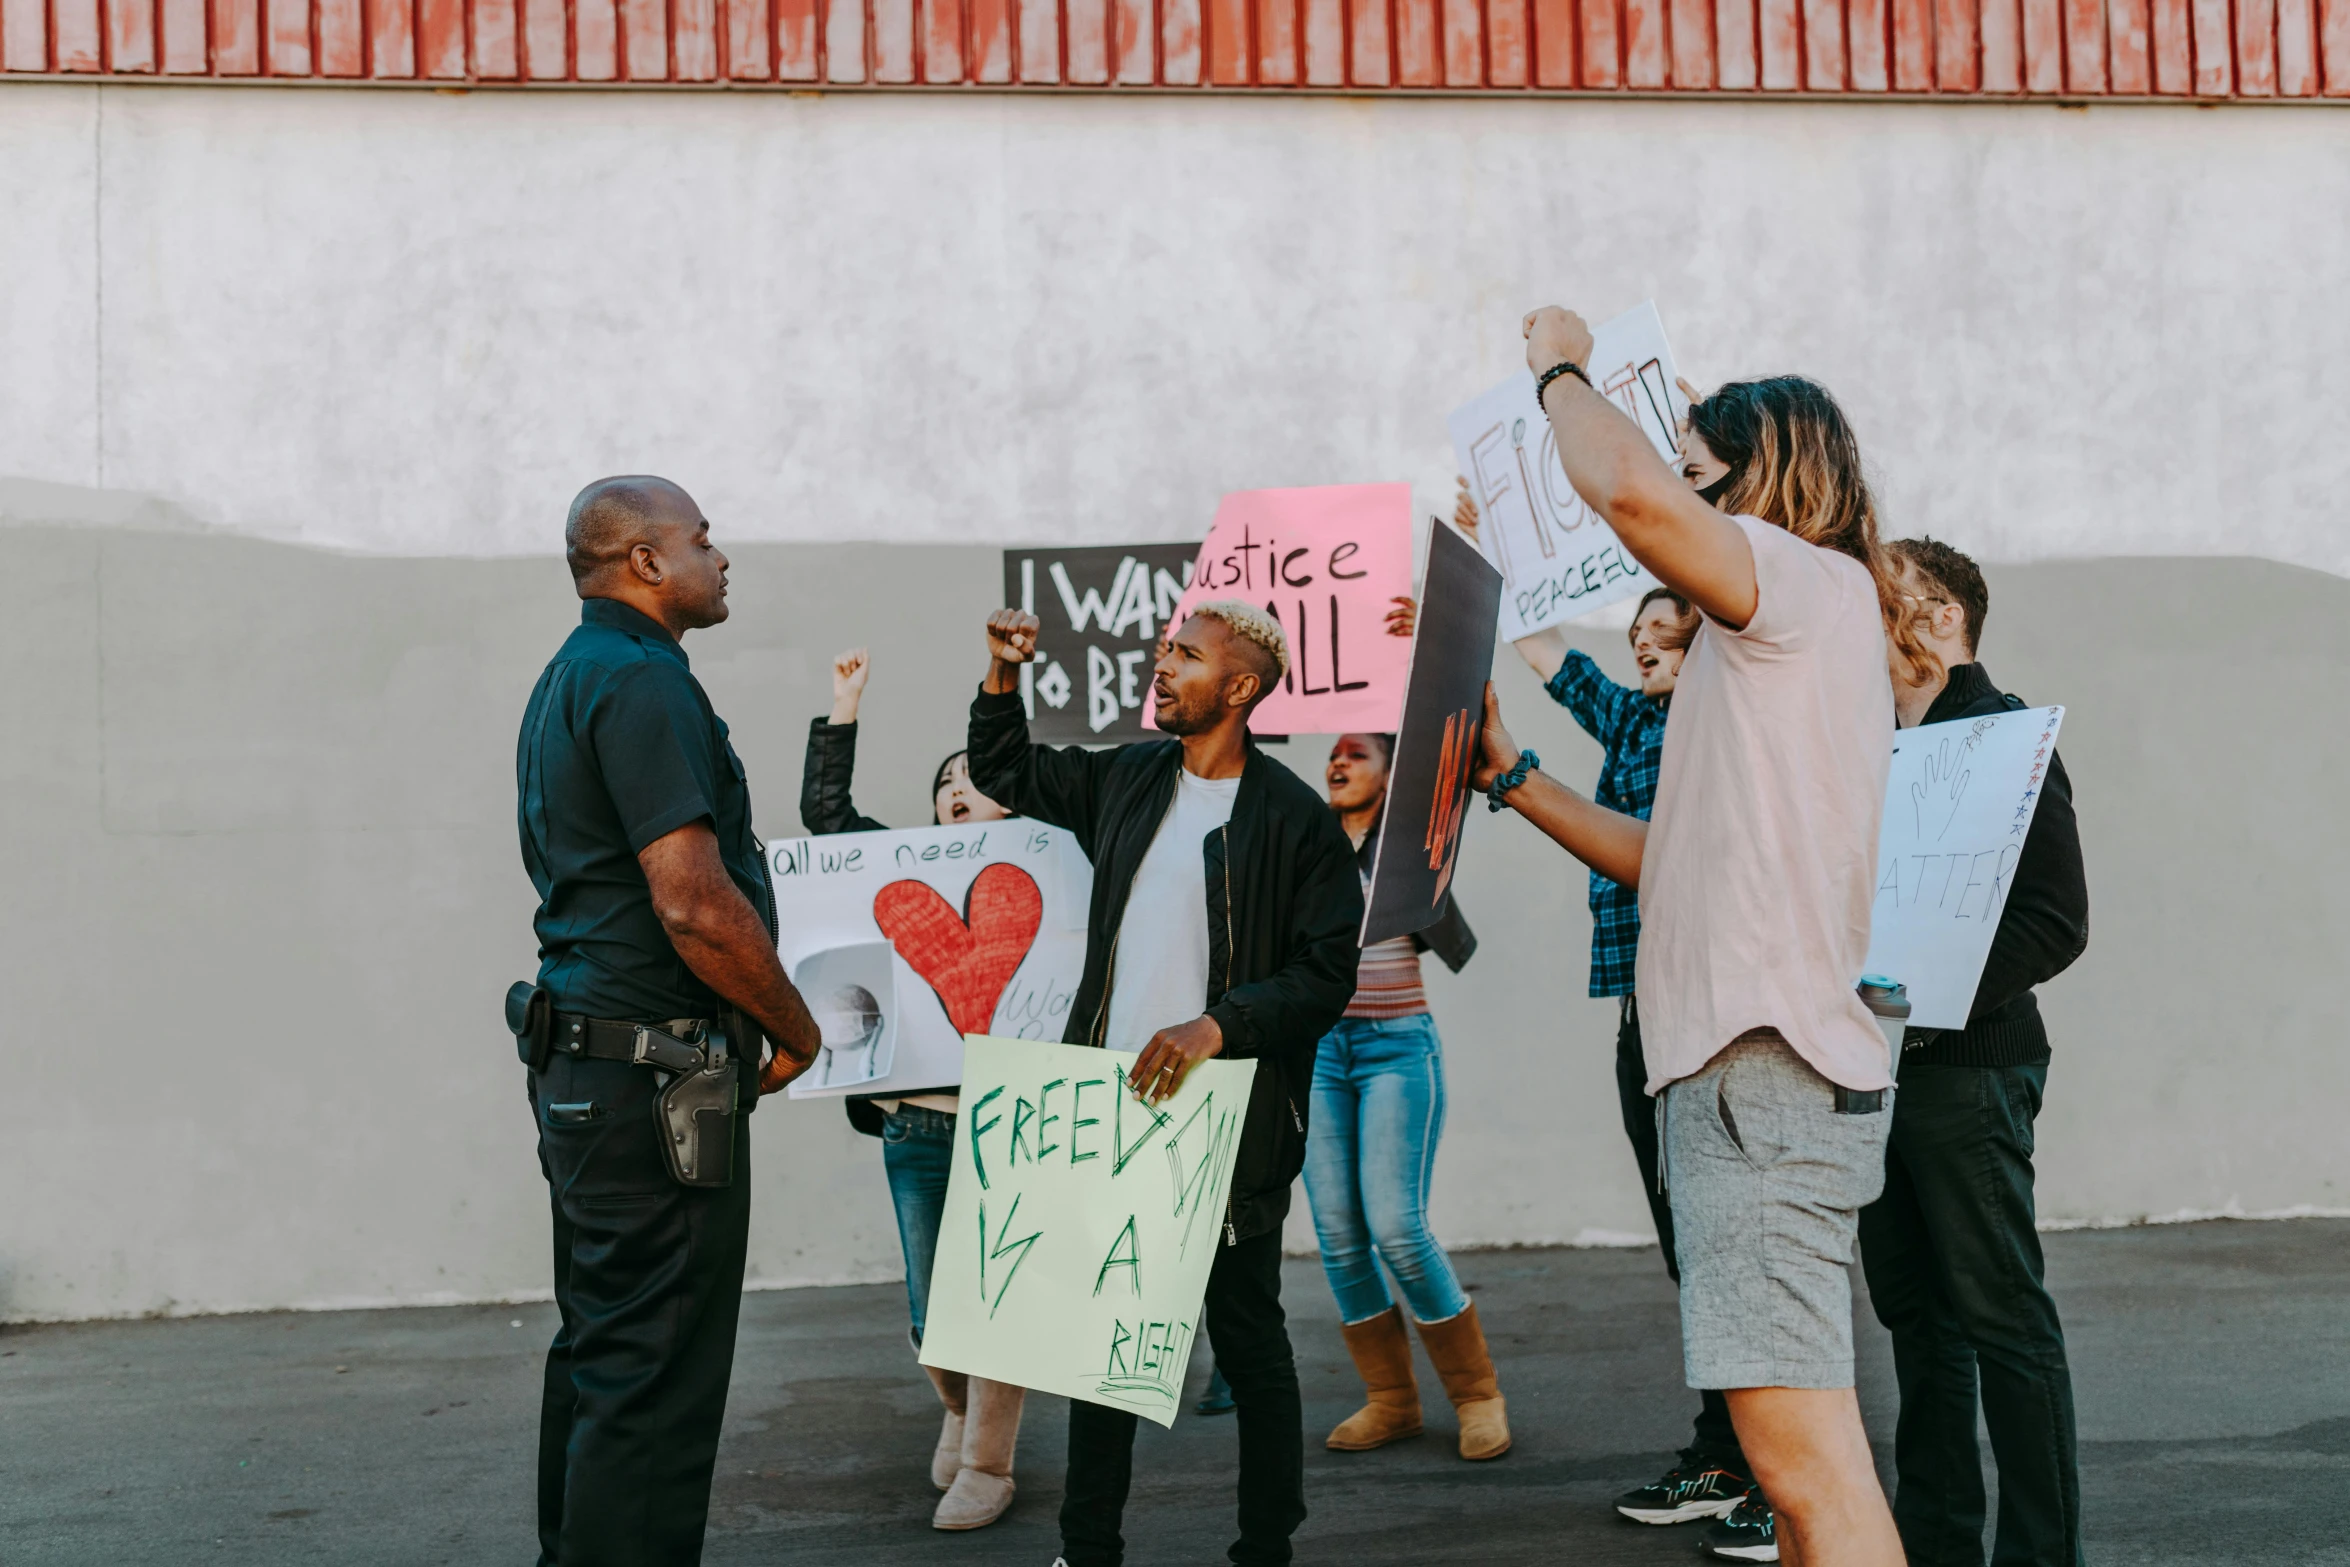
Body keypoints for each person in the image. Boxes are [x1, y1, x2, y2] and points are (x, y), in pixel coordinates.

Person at [1473, 311, 1932, 1567]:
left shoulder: (1794, 580)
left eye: (1698, 473)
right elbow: (1657, 851)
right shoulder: (1768, 645)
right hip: (1743, 1076)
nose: (1675, 494)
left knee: (1805, 1464)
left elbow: (1618, 484)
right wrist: (1512, 776)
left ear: (1762, 478)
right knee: (1789, 1478)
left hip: (1759, 1073)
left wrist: (1559, 366)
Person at [966, 599, 1361, 1567]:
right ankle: (1086, 1547)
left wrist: (1218, 1024)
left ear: (1238, 687)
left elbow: (1325, 972)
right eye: (1163, 649)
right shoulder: (1128, 778)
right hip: (1113, 1112)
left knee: (1251, 1345)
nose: (1161, 664)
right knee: (1101, 1350)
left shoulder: (1292, 818)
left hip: (1228, 1126)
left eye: (1183, 654)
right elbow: (1003, 769)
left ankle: (1265, 1546)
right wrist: (1001, 672)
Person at [513, 475, 822, 1567]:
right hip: (656, 1090)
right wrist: (796, 1026)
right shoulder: (643, 682)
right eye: (702, 538)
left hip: (591, 1074)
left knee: (607, 1361)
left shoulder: (569, 677)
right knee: (655, 1383)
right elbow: (692, 898)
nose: (720, 555)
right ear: (645, 561)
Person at [1459, 480, 1758, 1531]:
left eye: (1659, 630)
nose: (1639, 645)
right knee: (1692, 1248)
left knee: (1737, 1251)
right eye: (1632, 633)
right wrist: (1491, 553)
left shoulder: (1724, 718)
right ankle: (1727, 1453)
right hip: (1644, 1008)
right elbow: (1548, 658)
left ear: (1702, 636)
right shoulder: (1631, 715)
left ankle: (1777, 1474)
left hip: (1714, 1007)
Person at [1859, 538, 2089, 1567]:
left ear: (1939, 614)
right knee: (1917, 1318)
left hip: (1970, 1072)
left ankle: (2040, 1557)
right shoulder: (1864, 747)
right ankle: (1938, 1541)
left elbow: (2056, 920)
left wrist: (1936, 994)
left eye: (1879, 597)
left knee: (2002, 1320)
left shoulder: (2004, 736)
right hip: (1872, 1076)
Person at [797, 646, 1028, 1532]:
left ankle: (988, 1465)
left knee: (996, 1300)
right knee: (934, 1314)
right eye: (946, 783)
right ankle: (961, 1406)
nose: (958, 791)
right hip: (918, 1129)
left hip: (1014, 1124)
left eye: (976, 778)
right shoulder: (897, 863)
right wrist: (844, 705)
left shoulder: (1054, 870)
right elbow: (826, 815)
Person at [1306, 732, 1504, 1460]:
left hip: (1396, 1045)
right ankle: (1391, 1400)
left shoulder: (1409, 837)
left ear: (1393, 773)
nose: (1337, 760)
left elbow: (1443, 763)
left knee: (1396, 1223)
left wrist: (1399, 641)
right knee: (1338, 1232)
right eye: (1331, 751)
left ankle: (1477, 1394)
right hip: (1321, 1052)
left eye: (1357, 751)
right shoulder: (1305, 837)